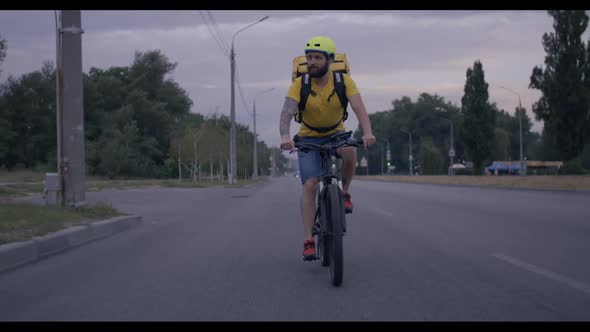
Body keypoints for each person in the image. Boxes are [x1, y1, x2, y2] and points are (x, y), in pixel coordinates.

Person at [279, 36, 376, 260]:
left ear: (329, 60)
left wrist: (368, 132)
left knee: (351, 150)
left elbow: (359, 107)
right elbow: (286, 113)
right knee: (311, 184)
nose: (312, 62)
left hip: (335, 133)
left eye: (317, 57)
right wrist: (285, 135)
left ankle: (344, 192)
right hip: (308, 137)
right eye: (309, 57)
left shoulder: (343, 81)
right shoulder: (299, 84)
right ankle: (308, 240)